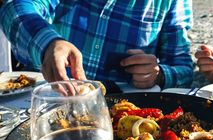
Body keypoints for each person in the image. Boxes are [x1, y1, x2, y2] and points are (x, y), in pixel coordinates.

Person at [0, 1, 193, 89]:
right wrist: (49, 43)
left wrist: (158, 75)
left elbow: (183, 68)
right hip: (47, 100)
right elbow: (14, 8)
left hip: (117, 116)